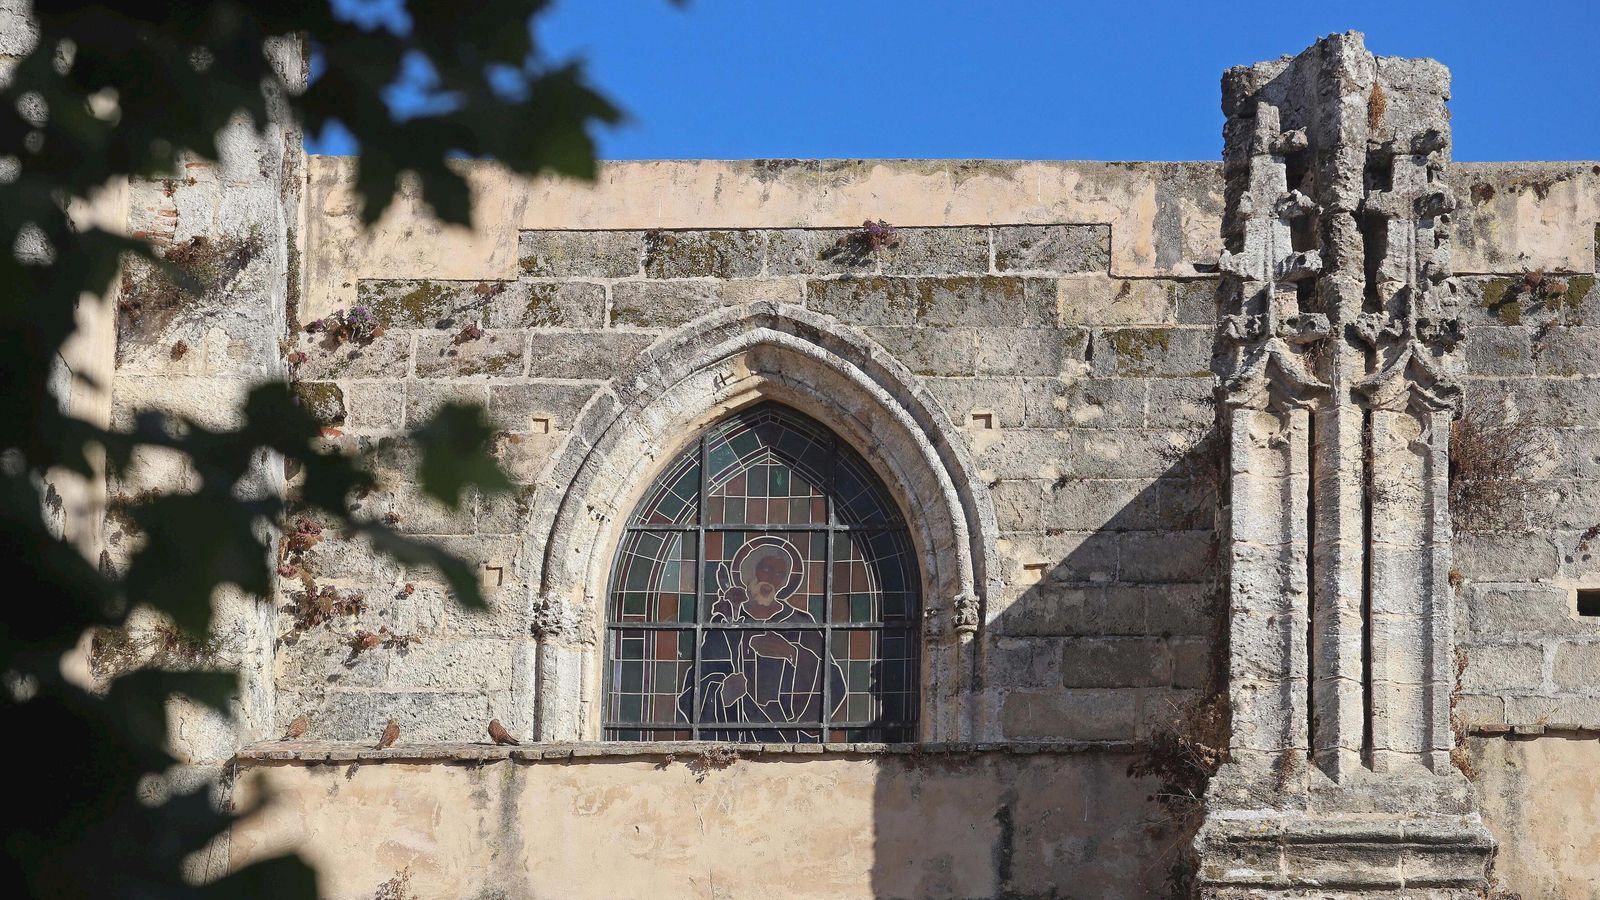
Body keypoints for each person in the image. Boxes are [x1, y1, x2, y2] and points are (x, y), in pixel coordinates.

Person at [681, 536, 846, 741]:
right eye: (765, 569)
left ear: (785, 581)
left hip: (787, 742)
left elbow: (835, 683)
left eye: (779, 574)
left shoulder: (800, 623)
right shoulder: (725, 623)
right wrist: (721, 695)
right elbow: (692, 690)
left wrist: (792, 653)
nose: (771, 578)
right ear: (750, 571)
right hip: (732, 738)